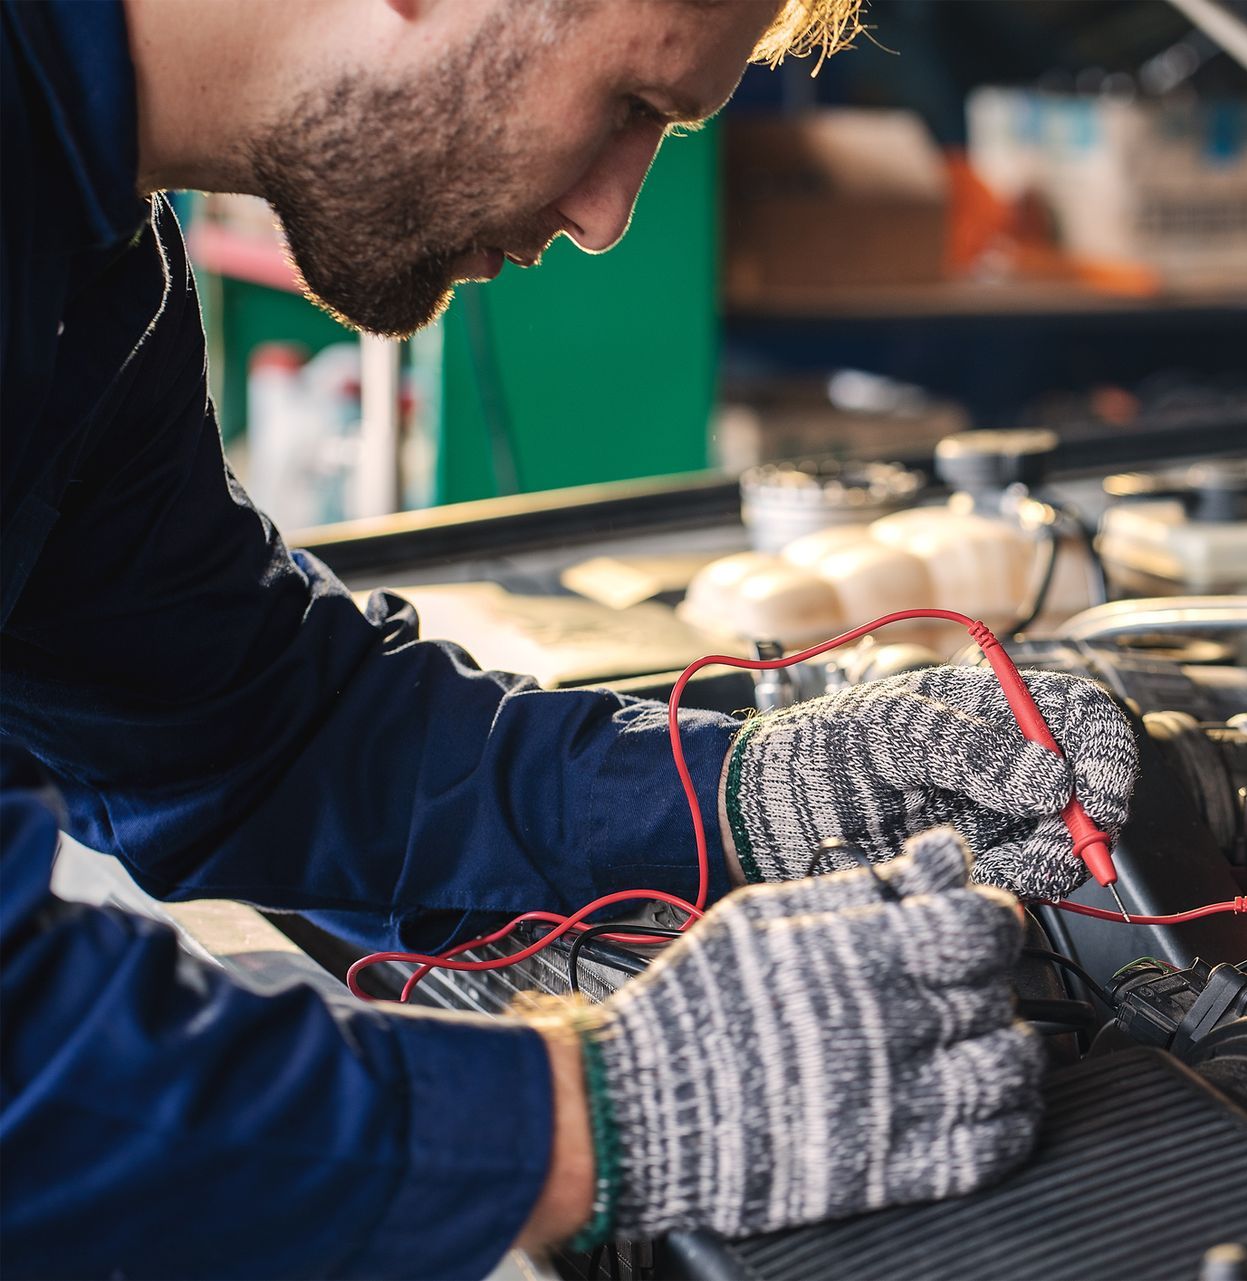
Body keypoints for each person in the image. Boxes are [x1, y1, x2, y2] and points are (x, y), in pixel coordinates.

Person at [0, 1, 1140, 1275]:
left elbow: (249, 731)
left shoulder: (88, 258)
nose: (607, 219)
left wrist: (748, 792)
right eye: (632, 108)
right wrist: (584, 1119)